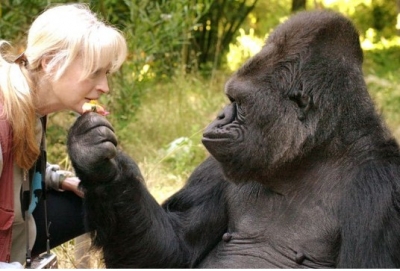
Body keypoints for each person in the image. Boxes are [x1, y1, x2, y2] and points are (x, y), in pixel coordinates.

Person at [0, 3, 127, 268]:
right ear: (50, 63)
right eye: (95, 72)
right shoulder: (3, 117)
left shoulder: (29, 103)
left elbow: (14, 171)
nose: (104, 87)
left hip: (17, 236)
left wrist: (58, 179)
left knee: (101, 200)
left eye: (106, 73)